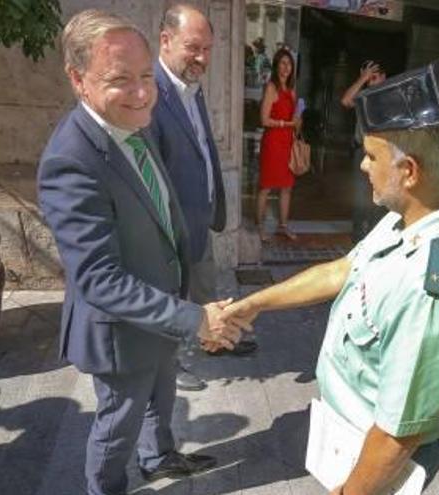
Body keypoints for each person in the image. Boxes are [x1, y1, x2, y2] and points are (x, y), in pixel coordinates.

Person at [222, 54, 439, 493]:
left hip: (379, 458)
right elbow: (341, 271)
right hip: (351, 435)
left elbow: (398, 432)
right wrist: (255, 303)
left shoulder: (434, 282)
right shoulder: (412, 213)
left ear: (409, 172)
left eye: (372, 155)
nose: (364, 165)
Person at [36, 10, 249, 494]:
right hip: (122, 334)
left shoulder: (136, 123)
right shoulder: (71, 160)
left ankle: (159, 459)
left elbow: (162, 206)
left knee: (162, 398)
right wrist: (195, 318)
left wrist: (186, 299)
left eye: (146, 76)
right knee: (117, 427)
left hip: (162, 313)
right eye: (120, 79)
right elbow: (98, 279)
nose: (141, 92)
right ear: (78, 79)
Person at [151, 4, 258, 393]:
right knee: (171, 297)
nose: (202, 58)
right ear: (165, 40)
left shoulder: (190, 87)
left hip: (201, 217)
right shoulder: (150, 93)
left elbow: (202, 146)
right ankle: (168, 364)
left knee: (205, 287)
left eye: (208, 49)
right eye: (193, 48)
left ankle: (215, 339)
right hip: (170, 229)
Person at [341, 60, 388, 242]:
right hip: (363, 151)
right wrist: (363, 78)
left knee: (379, 196)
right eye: (369, 78)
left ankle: (375, 237)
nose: (371, 82)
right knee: (360, 196)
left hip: (382, 152)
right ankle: (358, 238)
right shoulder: (363, 96)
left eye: (374, 77)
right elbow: (345, 100)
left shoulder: (388, 97)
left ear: (384, 77)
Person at [257, 47, 301, 241]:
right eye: (282, 63)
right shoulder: (271, 88)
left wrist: (298, 122)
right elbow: (264, 120)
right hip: (273, 142)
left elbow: (295, 118)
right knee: (266, 186)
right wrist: (285, 123)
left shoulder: (291, 90)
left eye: (289, 64)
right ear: (276, 66)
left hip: (288, 143)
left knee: (287, 187)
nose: (286, 67)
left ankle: (283, 225)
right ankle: (260, 228)